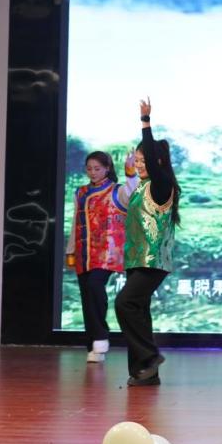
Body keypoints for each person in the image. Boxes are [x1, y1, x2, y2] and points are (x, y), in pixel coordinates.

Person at [115, 98, 181, 387]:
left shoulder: (161, 185)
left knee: (124, 303)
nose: (140, 165)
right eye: (138, 161)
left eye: (145, 161)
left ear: (158, 162)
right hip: (136, 260)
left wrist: (145, 122)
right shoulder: (141, 186)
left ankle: (150, 356)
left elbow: (153, 157)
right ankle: (144, 372)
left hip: (152, 262)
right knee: (138, 311)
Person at [65, 150, 138, 363]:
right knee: (87, 297)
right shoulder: (80, 192)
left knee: (95, 286)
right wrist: (71, 250)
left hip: (108, 252)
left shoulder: (117, 191)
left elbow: (133, 191)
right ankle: (93, 347)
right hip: (84, 252)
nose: (93, 172)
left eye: (97, 168)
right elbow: (75, 222)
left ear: (107, 168)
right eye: (89, 169)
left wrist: (130, 170)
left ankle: (100, 336)